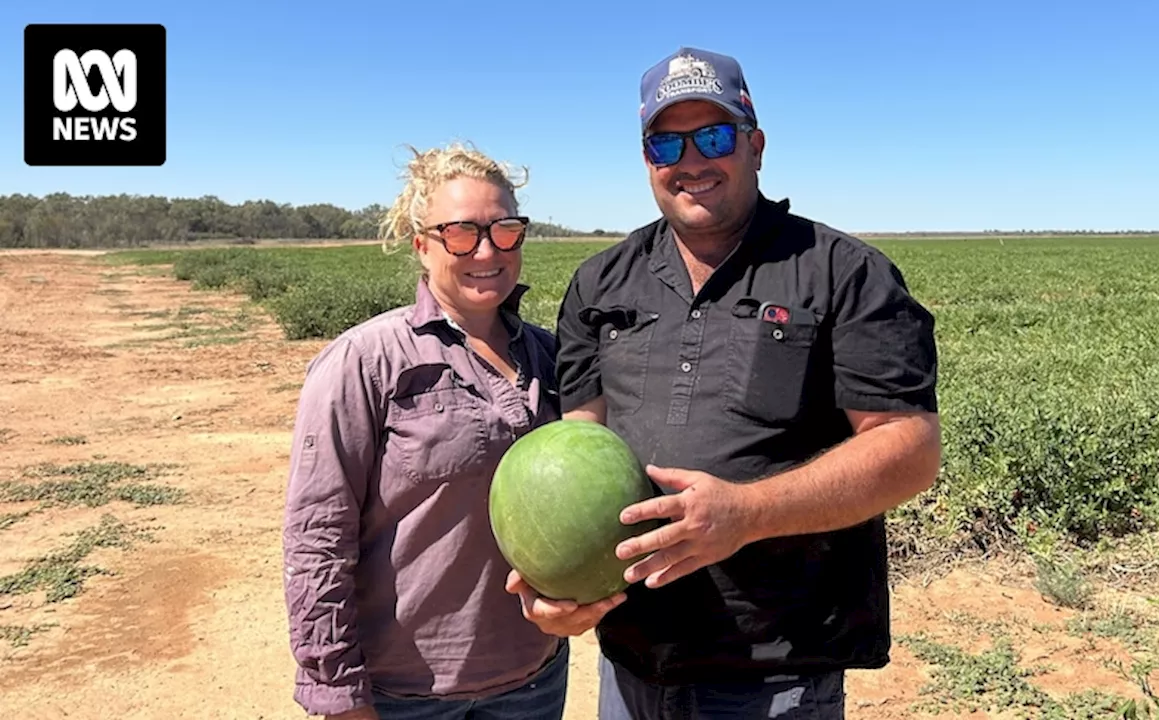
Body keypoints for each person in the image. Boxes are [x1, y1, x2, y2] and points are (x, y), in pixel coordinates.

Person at [506, 47, 943, 718]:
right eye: (666, 141)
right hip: (631, 657)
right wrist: (556, 580)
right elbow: (577, 446)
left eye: (714, 135)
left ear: (755, 143)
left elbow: (908, 448)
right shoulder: (600, 282)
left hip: (774, 668)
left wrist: (746, 514)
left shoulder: (842, 272)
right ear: (647, 157)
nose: (692, 161)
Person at [282, 142, 568, 720]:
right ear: (422, 245)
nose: (486, 250)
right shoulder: (365, 362)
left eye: (505, 229)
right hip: (404, 693)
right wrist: (336, 690)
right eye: (460, 233)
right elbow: (317, 535)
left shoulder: (551, 356)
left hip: (532, 679)